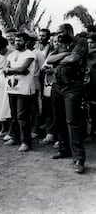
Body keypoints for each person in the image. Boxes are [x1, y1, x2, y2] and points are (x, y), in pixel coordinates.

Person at [46, 23, 88, 174]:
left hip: (72, 87)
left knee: (73, 121)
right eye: (57, 33)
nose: (58, 35)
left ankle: (79, 158)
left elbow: (74, 59)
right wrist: (64, 55)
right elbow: (49, 60)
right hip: (57, 86)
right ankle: (64, 150)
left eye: (61, 32)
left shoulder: (80, 42)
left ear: (69, 31)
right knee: (59, 118)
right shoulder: (62, 44)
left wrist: (61, 58)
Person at [4, 32, 36, 152]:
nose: (17, 42)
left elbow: (23, 69)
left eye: (20, 41)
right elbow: (5, 69)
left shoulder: (30, 54)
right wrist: (13, 70)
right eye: (16, 40)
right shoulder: (12, 55)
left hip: (24, 88)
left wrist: (10, 70)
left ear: (26, 42)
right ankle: (14, 137)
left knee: (22, 115)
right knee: (13, 114)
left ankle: (26, 141)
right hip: (12, 87)